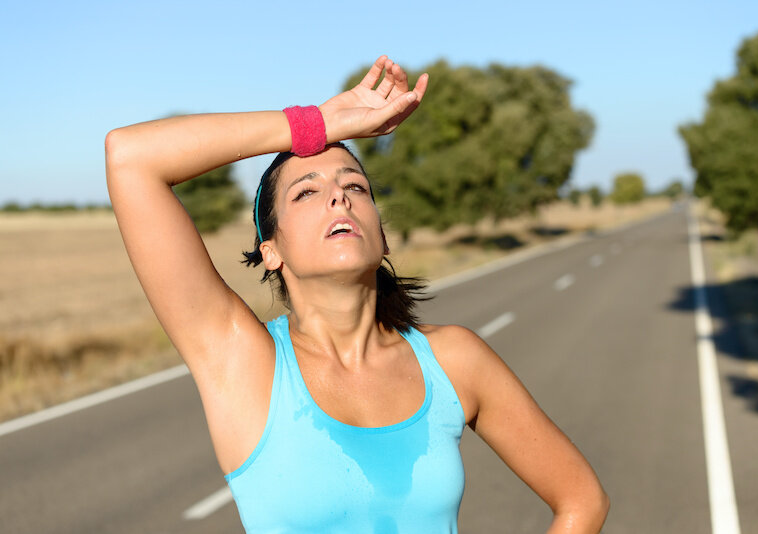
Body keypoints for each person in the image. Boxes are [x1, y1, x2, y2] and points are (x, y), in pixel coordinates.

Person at [105, 56, 609, 533]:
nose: (338, 195)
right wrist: (318, 124)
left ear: (382, 236)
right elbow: (131, 157)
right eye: (307, 191)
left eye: (356, 186)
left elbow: (581, 499)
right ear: (272, 250)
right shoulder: (244, 361)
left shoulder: (456, 359)